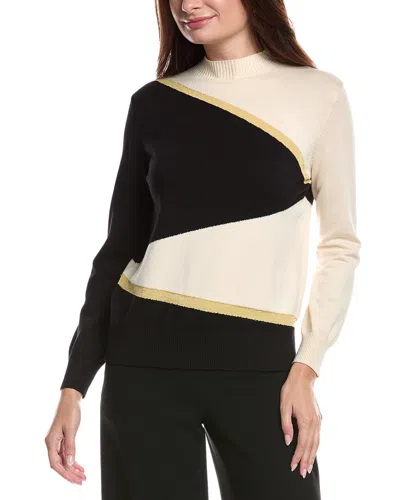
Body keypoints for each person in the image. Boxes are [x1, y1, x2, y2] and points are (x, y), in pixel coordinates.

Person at [44, 1, 361, 498]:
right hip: (144, 367)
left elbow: (340, 245)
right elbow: (119, 249)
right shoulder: (153, 103)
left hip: (263, 370)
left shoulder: (319, 96)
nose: (187, 5)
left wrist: (307, 366)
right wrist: (73, 385)